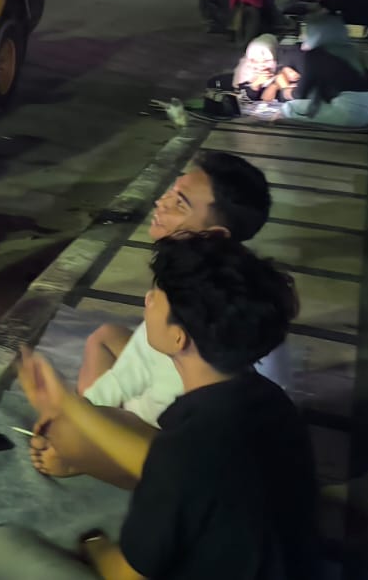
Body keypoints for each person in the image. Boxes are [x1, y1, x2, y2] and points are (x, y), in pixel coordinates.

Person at [0, 234, 320, 580]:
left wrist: (92, 542)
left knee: (0, 545)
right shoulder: (272, 401)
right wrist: (66, 402)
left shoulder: (182, 453)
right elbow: (175, 466)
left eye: (157, 296)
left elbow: (125, 575)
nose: (147, 299)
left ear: (178, 338)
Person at [55, 154, 276, 492]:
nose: (161, 202)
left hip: (171, 427)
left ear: (215, 234)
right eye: (170, 192)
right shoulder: (219, 277)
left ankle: (95, 454)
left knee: (69, 436)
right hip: (181, 391)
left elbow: (153, 374)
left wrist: (80, 423)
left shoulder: (201, 307)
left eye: (179, 203)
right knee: (107, 336)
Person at [274, 15, 368, 128]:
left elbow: (300, 94)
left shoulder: (314, 55)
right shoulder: (349, 50)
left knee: (289, 108)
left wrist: (285, 90)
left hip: (350, 112)